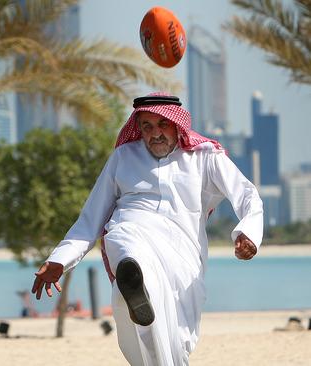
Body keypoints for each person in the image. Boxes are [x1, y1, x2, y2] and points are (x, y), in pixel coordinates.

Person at [31, 92, 263, 365]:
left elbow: (247, 195)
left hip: (182, 253)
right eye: (146, 126)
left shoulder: (204, 157)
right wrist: (60, 259)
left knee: (176, 342)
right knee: (124, 244)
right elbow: (91, 218)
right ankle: (133, 277)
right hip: (132, 233)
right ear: (137, 127)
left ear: (176, 123)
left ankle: (136, 287)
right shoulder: (123, 157)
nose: (155, 133)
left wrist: (247, 232)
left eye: (162, 124)